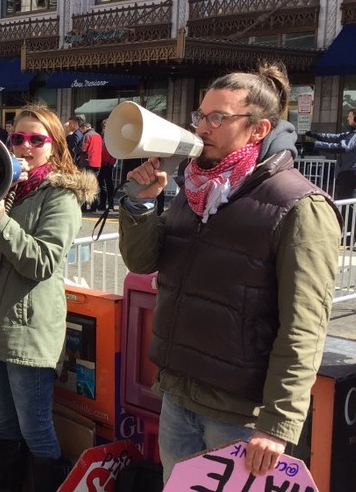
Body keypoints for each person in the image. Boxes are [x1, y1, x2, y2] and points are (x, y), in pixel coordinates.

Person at [118, 62, 341, 484]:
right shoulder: (198, 187)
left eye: (217, 117)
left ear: (257, 130)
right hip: (180, 397)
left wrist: (277, 424)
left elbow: (305, 326)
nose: (202, 127)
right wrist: (141, 205)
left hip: (240, 415)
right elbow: (144, 261)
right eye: (201, 115)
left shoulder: (299, 206)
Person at [0, 104, 98, 492]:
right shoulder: (10, 186)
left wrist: (1, 219)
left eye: (37, 140)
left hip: (27, 330)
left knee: (35, 429)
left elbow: (42, 261)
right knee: (3, 423)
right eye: (17, 138)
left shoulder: (60, 197)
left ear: (54, 146)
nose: (25, 146)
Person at [305, 108, 356, 200]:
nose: (348, 119)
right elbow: (337, 137)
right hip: (348, 171)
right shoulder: (351, 133)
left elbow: (342, 147)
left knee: (346, 200)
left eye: (350, 117)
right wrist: (318, 135)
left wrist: (316, 145)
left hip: (350, 173)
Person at [79, 121, 103, 212]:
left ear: (84, 127)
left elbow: (83, 149)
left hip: (87, 162)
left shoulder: (87, 135)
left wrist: (75, 149)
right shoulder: (98, 135)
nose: (81, 131)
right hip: (97, 163)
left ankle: (84, 207)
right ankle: (94, 206)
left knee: (85, 184)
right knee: (94, 184)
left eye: (81, 129)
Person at [97, 118, 116, 212]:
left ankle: (111, 204)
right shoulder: (102, 135)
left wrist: (111, 163)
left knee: (109, 184)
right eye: (103, 126)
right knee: (101, 184)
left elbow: (114, 152)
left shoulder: (112, 137)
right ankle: (102, 203)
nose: (104, 128)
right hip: (101, 163)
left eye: (106, 126)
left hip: (108, 163)